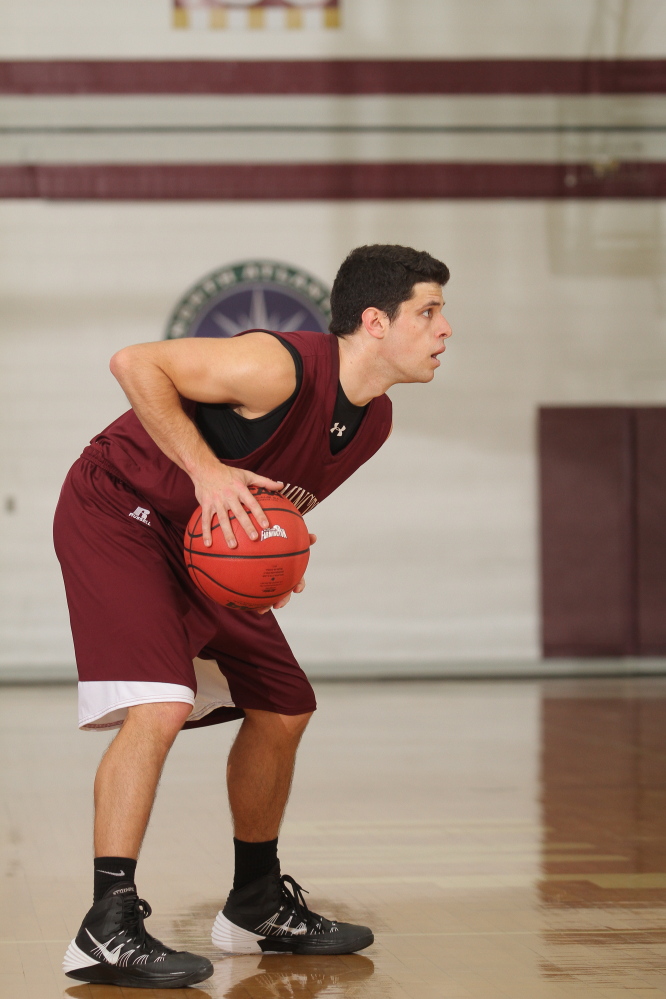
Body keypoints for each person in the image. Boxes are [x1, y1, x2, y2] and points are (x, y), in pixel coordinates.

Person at [54, 243, 451, 989]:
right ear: (374, 321)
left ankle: (255, 903)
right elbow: (135, 362)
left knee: (285, 705)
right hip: (121, 510)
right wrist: (204, 472)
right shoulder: (280, 366)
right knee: (161, 705)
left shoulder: (373, 421)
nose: (444, 328)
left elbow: (267, 506)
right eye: (428, 311)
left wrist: (274, 558)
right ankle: (105, 925)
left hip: (193, 539)